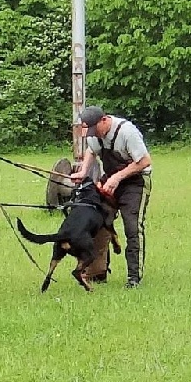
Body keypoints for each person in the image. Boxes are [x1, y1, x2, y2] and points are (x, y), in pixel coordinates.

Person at [71, 106, 152, 289]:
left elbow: (145, 161)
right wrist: (83, 172)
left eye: (94, 129)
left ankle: (133, 277)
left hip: (136, 182)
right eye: (89, 131)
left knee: (132, 227)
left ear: (104, 120)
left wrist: (116, 178)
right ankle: (97, 272)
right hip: (112, 178)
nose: (93, 135)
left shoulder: (127, 132)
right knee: (97, 221)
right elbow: (92, 151)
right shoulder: (94, 134)